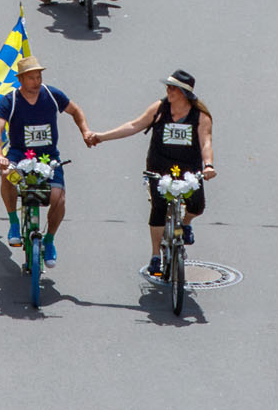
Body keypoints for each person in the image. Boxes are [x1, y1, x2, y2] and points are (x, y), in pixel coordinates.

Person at [88, 70, 215, 277]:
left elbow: (206, 142)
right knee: (158, 207)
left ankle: (185, 224)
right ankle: (156, 255)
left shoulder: (200, 116)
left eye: (172, 88)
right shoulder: (159, 109)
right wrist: (102, 137)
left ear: (183, 93)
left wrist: (208, 165)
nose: (168, 91)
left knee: (197, 206)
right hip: (160, 166)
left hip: (188, 168)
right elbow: (134, 125)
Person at [0, 54, 93, 263]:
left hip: (48, 157)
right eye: (31, 78)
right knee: (7, 175)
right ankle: (13, 222)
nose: (36, 82)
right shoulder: (9, 101)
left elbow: (76, 111)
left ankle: (49, 240)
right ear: (21, 80)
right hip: (19, 156)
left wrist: (85, 131)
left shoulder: (52, 95)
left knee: (58, 198)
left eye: (38, 77)